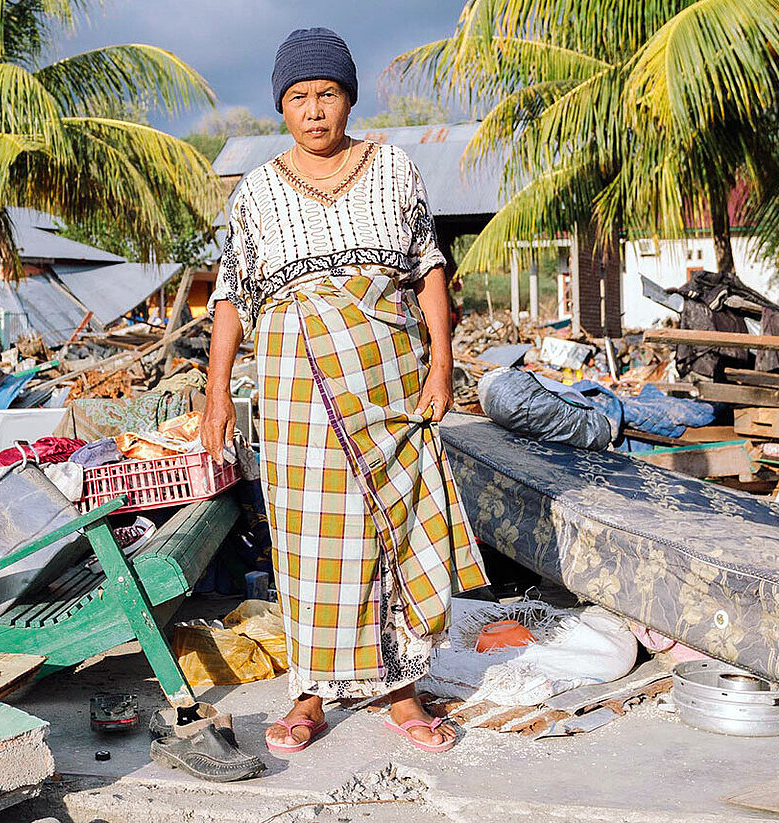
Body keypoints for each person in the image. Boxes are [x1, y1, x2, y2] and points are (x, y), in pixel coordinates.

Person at [200, 27, 487, 756]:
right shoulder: (258, 191)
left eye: (327, 93)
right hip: (295, 385)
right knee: (306, 538)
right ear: (281, 108)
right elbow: (233, 294)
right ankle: (310, 690)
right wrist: (216, 392)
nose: (315, 109)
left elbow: (428, 269)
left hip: (387, 377)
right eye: (298, 97)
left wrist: (442, 364)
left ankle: (400, 689)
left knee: (393, 525)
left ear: (348, 97)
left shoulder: (394, 169)